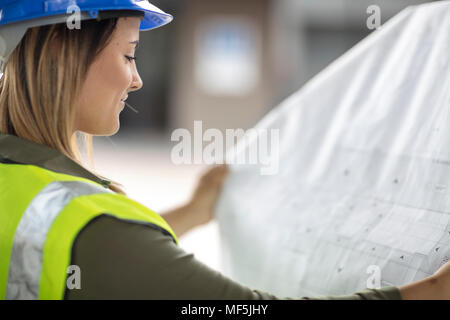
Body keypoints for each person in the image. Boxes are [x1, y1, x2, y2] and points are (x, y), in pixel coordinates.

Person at [0, 0, 449, 300]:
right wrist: (428, 291)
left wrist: (192, 213)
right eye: (129, 54)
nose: (136, 80)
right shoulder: (94, 225)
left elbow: (115, 266)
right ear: (62, 53)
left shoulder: (24, 185)